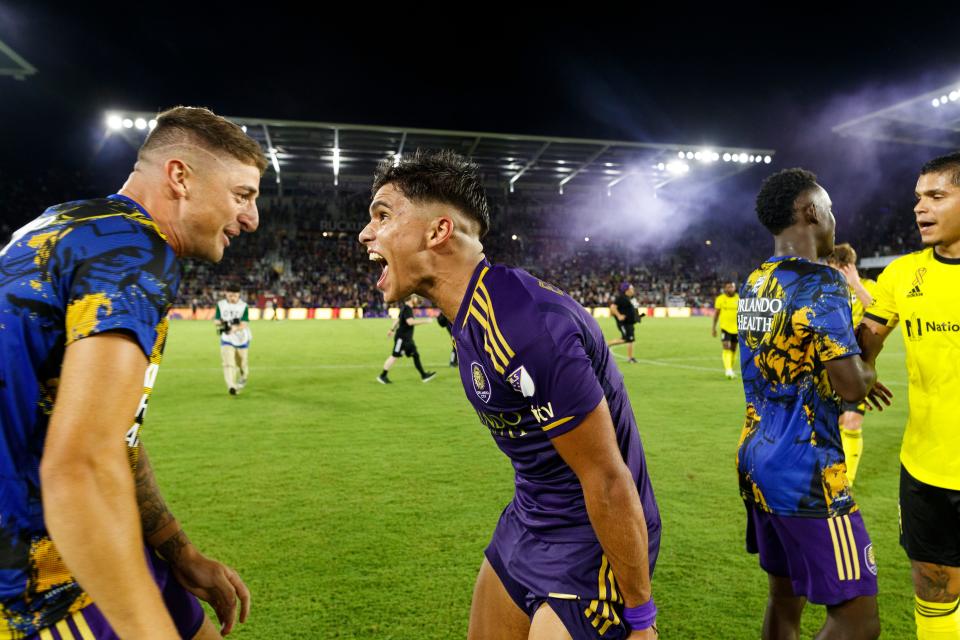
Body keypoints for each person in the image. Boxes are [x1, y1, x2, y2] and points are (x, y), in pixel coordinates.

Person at [360, 149, 660, 639]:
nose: (366, 233)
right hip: (527, 520)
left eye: (383, 215)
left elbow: (607, 479)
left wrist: (641, 621)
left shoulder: (524, 326)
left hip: (588, 541)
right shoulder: (470, 315)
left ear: (438, 232)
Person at [0, 106, 264, 639]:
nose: (251, 219)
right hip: (44, 576)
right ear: (180, 176)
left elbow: (109, 431)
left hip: (95, 540)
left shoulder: (73, 225)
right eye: (242, 195)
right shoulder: (134, 252)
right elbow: (80, 466)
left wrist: (177, 548)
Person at [737, 168, 889, 640]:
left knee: (783, 599)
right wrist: (871, 352)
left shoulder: (757, 281)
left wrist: (847, 368)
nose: (834, 218)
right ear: (810, 211)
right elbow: (851, 387)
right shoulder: (822, 284)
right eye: (830, 208)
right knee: (859, 621)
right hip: (807, 471)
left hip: (756, 458)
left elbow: (797, 361)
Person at [859, 152, 960, 640]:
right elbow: (869, 338)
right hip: (926, 465)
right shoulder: (903, 274)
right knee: (934, 585)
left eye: (936, 196)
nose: (920, 207)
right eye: (918, 198)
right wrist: (860, 372)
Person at [826, 243, 877, 485]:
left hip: (857, 368)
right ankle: (828, 474)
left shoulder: (867, 287)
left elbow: (879, 312)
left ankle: (848, 482)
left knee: (852, 421)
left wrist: (855, 283)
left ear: (848, 267)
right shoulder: (827, 289)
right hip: (828, 366)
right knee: (832, 424)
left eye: (836, 268)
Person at [377, 295, 437, 384]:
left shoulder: (404, 308)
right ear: (411, 299)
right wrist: (426, 321)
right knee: (394, 356)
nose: (417, 300)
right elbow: (410, 322)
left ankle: (424, 375)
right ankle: (382, 376)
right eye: (415, 298)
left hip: (407, 339)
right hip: (402, 339)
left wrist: (391, 329)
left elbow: (397, 320)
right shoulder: (407, 308)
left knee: (415, 355)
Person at [215, 288, 252, 395]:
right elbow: (216, 320)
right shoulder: (221, 305)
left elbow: (244, 323)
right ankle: (232, 386)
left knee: (242, 363)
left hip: (241, 339)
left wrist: (234, 328)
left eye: (235, 296)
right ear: (226, 294)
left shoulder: (243, 306)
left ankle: (243, 375)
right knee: (228, 363)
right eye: (230, 295)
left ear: (239, 295)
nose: (232, 298)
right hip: (227, 339)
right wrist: (222, 324)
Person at [607, 282, 641, 364]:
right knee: (626, 339)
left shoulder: (631, 298)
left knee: (630, 339)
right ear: (627, 290)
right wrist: (619, 316)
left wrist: (637, 317)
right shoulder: (622, 298)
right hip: (624, 323)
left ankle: (630, 358)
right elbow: (612, 307)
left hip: (629, 322)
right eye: (631, 288)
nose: (633, 290)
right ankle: (606, 345)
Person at [711, 281, 739, 379]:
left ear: (734, 288)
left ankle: (730, 369)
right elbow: (716, 314)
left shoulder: (739, 298)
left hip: (737, 329)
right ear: (725, 288)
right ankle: (728, 370)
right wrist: (713, 328)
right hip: (725, 328)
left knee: (733, 349)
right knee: (726, 347)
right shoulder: (720, 299)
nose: (730, 289)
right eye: (728, 287)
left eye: (731, 287)